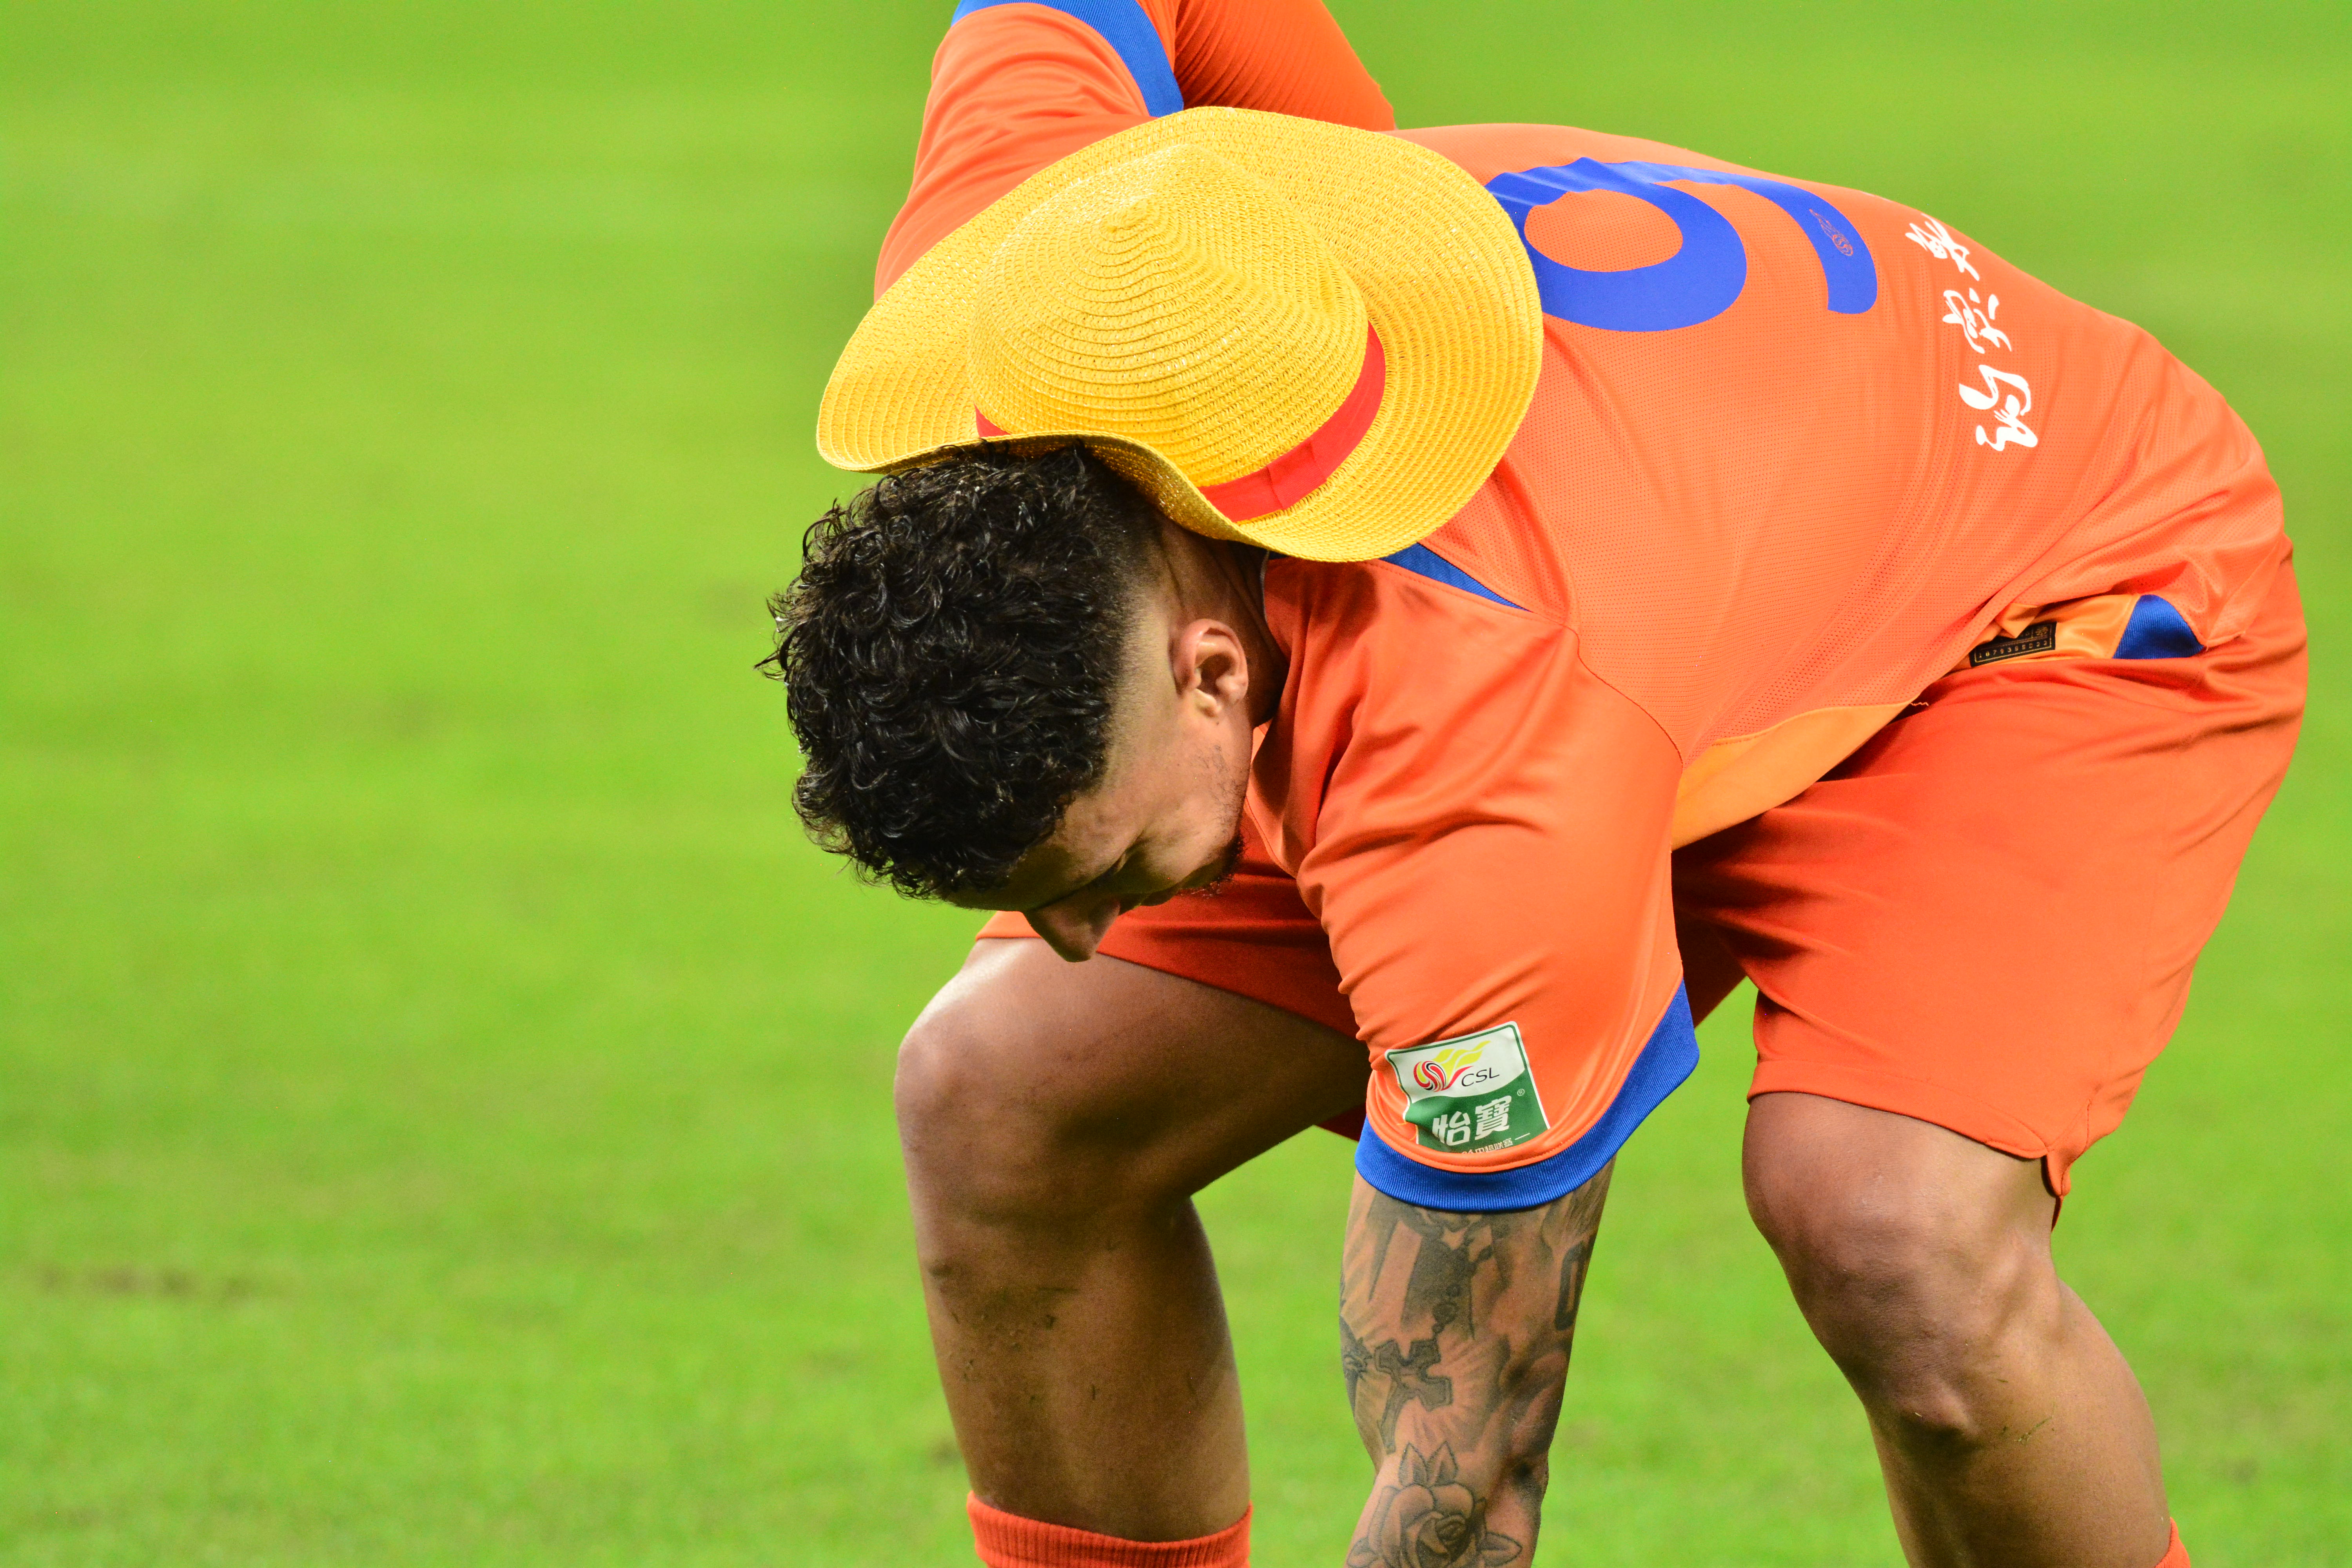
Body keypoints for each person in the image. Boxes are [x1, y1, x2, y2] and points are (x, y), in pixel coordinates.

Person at [771, 2, 2305, 1564]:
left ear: (1209, 672)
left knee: (1892, 1233)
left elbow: (1466, 1481)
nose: (1084, 935)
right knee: (1001, 1098)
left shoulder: (1466, 770)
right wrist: (1337, 208)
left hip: (2046, 591)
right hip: (1663, 600)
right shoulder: (1015, 288)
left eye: (1104, 870)